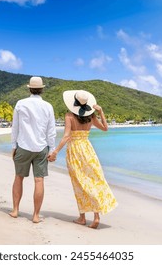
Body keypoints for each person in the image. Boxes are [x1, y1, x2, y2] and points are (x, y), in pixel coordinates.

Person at [48, 90, 117, 229]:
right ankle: (96, 216)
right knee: (93, 180)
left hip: (75, 151)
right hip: (88, 150)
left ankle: (82, 217)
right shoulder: (91, 116)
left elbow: (67, 136)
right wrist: (101, 112)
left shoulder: (69, 116)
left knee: (79, 183)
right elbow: (105, 128)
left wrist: (55, 152)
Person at [9, 76, 57, 223]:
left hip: (23, 146)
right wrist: (52, 149)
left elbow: (15, 127)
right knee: (39, 180)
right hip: (41, 148)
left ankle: (16, 210)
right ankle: (36, 215)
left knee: (19, 177)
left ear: (29, 88)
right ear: (42, 89)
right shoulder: (48, 106)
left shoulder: (20, 103)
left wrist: (13, 146)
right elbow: (51, 130)